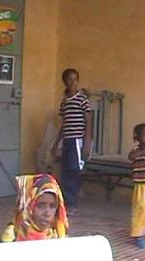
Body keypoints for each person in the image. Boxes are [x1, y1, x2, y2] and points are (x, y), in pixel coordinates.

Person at [51, 68, 92, 215]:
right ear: (65, 82)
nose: (73, 82)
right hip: (67, 140)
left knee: (74, 169)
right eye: (69, 79)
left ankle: (72, 202)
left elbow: (88, 121)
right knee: (65, 170)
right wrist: (56, 144)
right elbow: (63, 125)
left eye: (75, 79)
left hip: (77, 140)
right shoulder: (64, 102)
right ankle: (69, 201)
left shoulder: (82, 100)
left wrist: (87, 142)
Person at [0, 174, 69, 242]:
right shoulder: (11, 235)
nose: (47, 213)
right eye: (40, 205)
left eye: (52, 206)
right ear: (28, 205)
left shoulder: (57, 233)